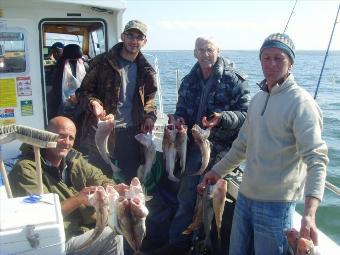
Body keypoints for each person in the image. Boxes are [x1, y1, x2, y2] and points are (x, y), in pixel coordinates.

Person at [200, 33, 329, 255]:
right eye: (266, 58)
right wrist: (216, 172)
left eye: (278, 58)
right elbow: (242, 146)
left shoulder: (302, 103)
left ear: (291, 63)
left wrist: (309, 213)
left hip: (277, 206)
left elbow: (317, 160)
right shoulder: (258, 99)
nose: (271, 64)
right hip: (245, 199)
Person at [151, 36, 250, 255]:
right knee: (186, 196)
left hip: (223, 150)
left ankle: (207, 246)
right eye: (200, 50)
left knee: (210, 202)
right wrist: (178, 119)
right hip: (193, 146)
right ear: (194, 53)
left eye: (209, 49)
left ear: (218, 50)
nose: (205, 54)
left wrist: (222, 118)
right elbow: (182, 109)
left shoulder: (235, 81)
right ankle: (178, 244)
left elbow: (245, 115)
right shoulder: (189, 80)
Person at [8, 116, 125, 255]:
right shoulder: (26, 169)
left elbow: (99, 177)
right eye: (61, 136)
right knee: (113, 237)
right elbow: (40, 216)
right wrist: (77, 199)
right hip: (54, 241)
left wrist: (112, 188)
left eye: (71, 138)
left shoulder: (74, 160)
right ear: (46, 135)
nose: (67, 142)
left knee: (121, 225)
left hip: (82, 229)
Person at [76, 20, 157, 181]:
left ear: (144, 41)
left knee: (130, 181)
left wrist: (149, 116)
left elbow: (150, 99)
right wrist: (94, 103)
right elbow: (82, 92)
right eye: (130, 36)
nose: (134, 41)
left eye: (139, 37)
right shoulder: (101, 62)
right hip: (100, 131)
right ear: (122, 36)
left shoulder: (146, 70)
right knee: (99, 181)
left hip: (131, 133)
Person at [48, 44, 88, 121]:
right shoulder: (85, 65)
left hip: (63, 101)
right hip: (82, 101)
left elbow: (54, 85)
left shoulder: (60, 65)